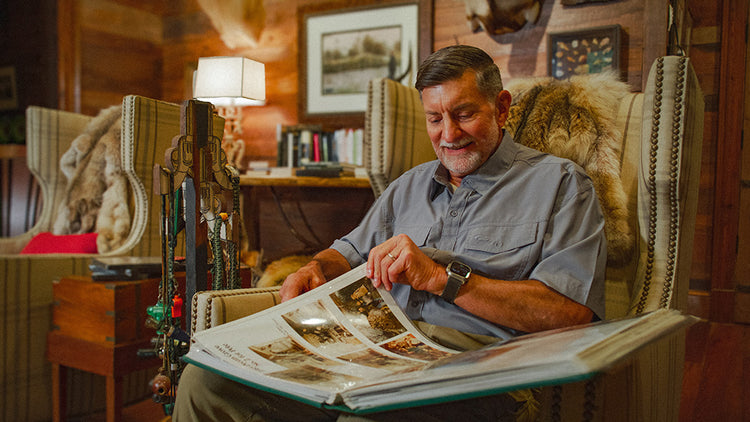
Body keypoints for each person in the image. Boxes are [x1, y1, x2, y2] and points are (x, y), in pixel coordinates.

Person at [174, 45, 606, 421]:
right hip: (373, 356)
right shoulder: (409, 186)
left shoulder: (561, 184)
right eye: (435, 119)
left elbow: (571, 313)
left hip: (479, 369)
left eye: (464, 114)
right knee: (204, 382)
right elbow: (346, 252)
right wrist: (314, 268)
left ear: (502, 107)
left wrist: (440, 277)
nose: (449, 135)